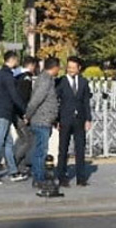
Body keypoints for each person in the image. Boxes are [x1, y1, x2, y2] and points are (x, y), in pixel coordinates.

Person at [0, 51, 25, 185]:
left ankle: (13, 172)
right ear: (13, 60)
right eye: (16, 60)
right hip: (4, 113)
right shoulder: (8, 77)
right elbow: (15, 96)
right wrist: (24, 111)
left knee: (8, 143)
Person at [55, 56, 94, 187]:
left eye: (73, 67)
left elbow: (86, 102)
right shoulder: (61, 81)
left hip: (79, 119)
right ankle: (61, 176)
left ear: (79, 68)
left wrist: (88, 119)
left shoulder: (83, 82)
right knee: (63, 149)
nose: (71, 70)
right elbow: (55, 101)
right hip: (65, 119)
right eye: (69, 67)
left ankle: (81, 177)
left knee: (80, 149)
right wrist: (56, 119)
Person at [25, 56, 61, 187]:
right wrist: (28, 115)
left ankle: (39, 175)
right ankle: (39, 178)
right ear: (55, 67)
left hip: (45, 120)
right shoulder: (45, 80)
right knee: (41, 151)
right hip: (41, 121)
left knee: (40, 149)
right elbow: (36, 100)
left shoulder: (46, 79)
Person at [12, 56, 37, 177]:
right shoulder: (26, 78)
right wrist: (25, 114)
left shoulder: (17, 76)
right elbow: (24, 98)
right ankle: (13, 163)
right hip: (20, 114)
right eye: (34, 66)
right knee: (27, 140)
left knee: (23, 139)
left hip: (15, 113)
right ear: (31, 65)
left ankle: (20, 167)